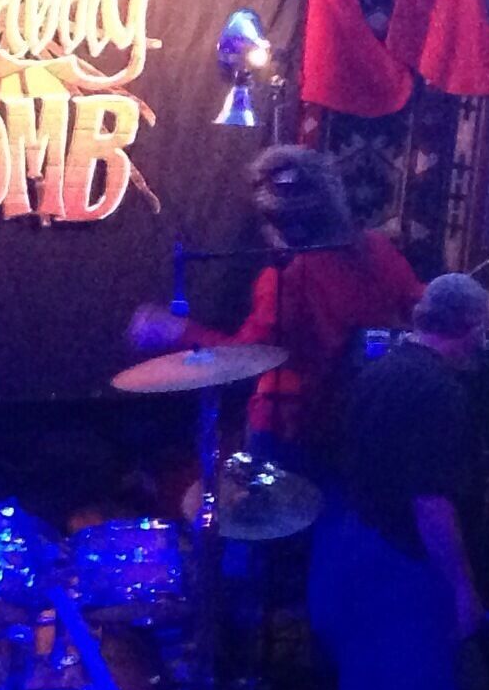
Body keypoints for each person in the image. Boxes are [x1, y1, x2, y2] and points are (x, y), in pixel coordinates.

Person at [309, 272, 489, 690]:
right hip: (400, 565)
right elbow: (430, 502)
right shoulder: (443, 394)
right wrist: (464, 588)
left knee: (363, 686)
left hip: (347, 547)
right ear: (473, 330)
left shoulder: (377, 370)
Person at [129, 144, 422, 468]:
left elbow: (245, 356)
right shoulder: (377, 249)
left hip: (293, 426)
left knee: (278, 513)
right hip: (365, 418)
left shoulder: (286, 278)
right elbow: (419, 308)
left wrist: (178, 331)